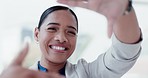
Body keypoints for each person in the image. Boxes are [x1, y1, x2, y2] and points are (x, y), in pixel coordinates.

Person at [0, 0, 142, 78]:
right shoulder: (19, 76)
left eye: (71, 32)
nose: (61, 38)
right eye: (52, 28)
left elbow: (124, 53)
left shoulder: (88, 74)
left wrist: (124, 9)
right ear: (37, 34)